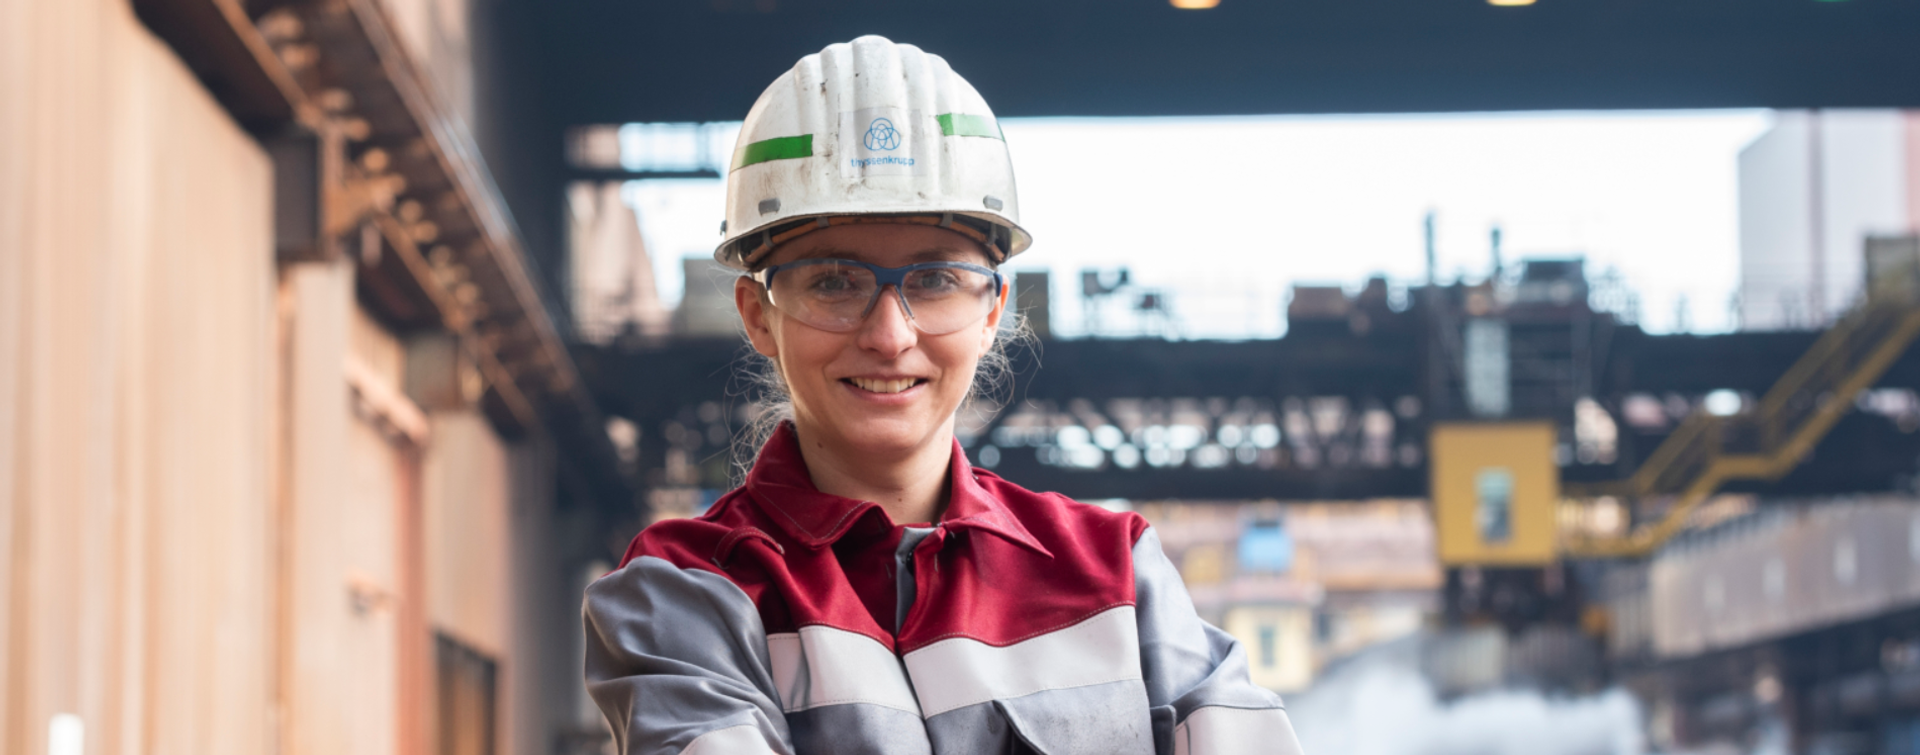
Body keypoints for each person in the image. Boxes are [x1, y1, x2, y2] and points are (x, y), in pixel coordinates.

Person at [583, 35, 1306, 755]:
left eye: (933, 280)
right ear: (756, 314)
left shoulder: (1118, 573)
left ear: (992, 311)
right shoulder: (684, 591)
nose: (890, 335)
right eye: (835, 280)